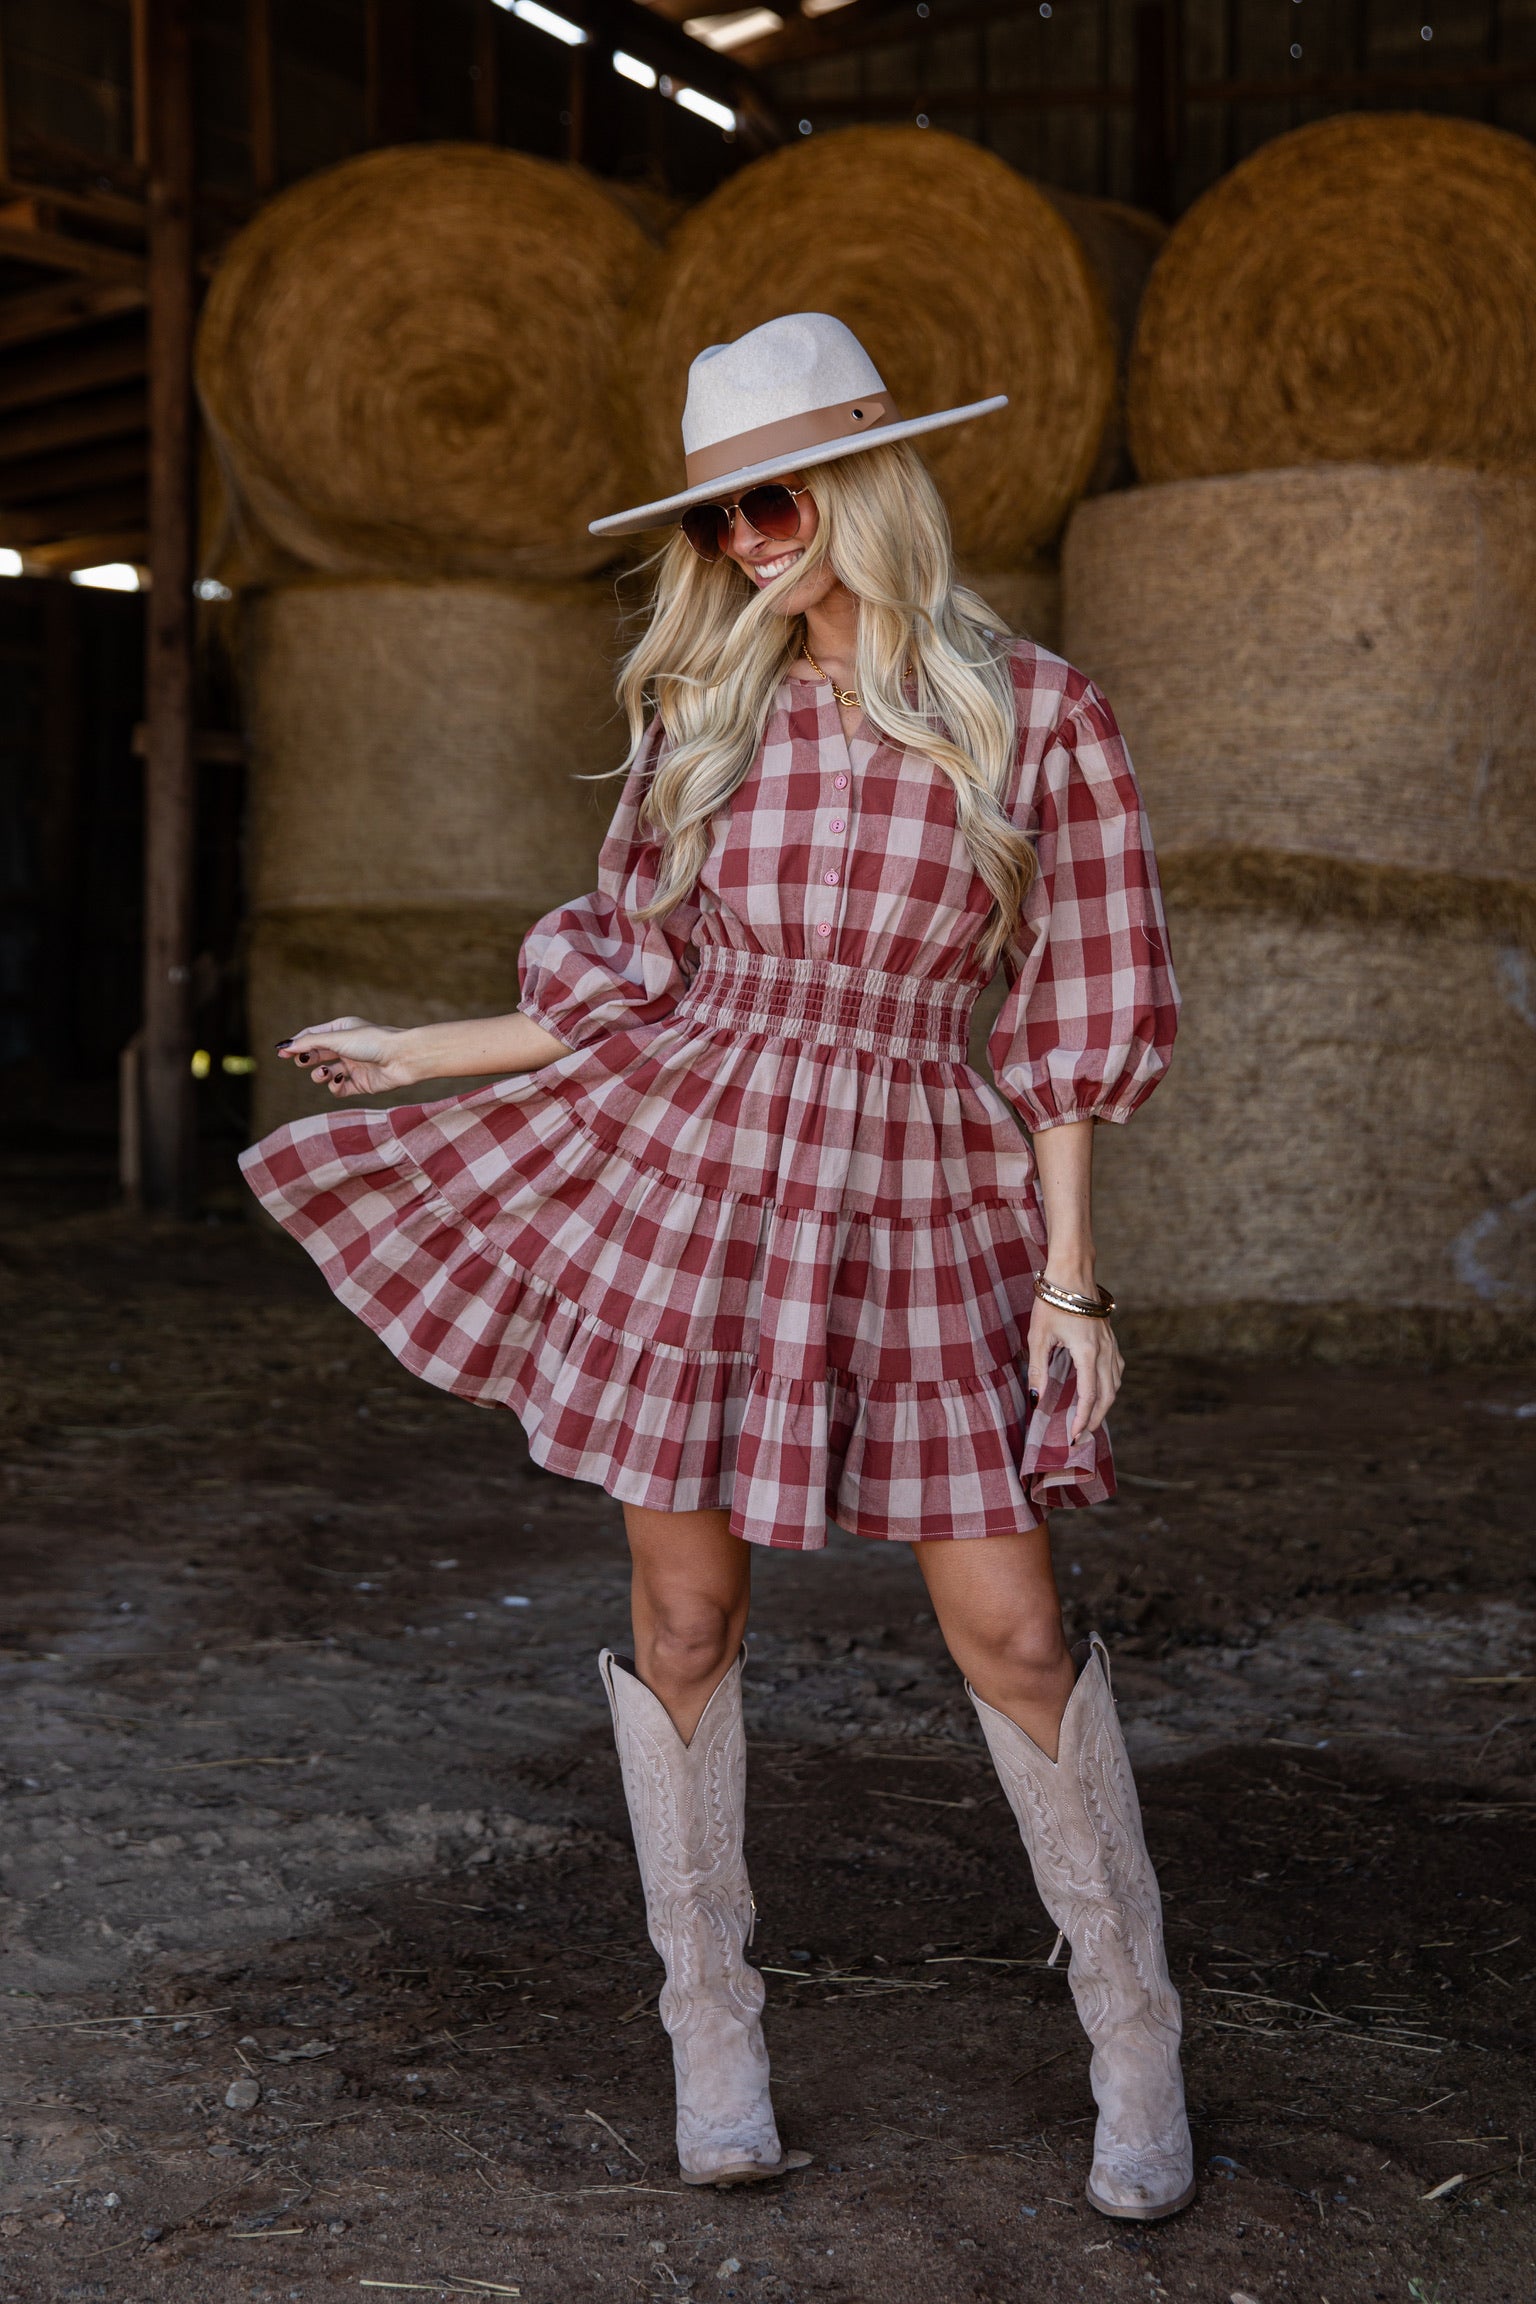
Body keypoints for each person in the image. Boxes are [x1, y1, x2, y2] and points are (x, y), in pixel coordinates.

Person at [242, 312, 1191, 2222]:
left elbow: (1073, 1017)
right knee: (684, 1625)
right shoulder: (709, 708)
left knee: (1012, 1633)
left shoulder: (1040, 714)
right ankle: (714, 2030)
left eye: (770, 502)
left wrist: (1073, 1288)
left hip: (929, 1189)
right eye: (717, 521)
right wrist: (420, 1051)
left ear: (863, 487)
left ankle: (1138, 2048)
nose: (746, 545)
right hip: (702, 1180)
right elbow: (628, 974)